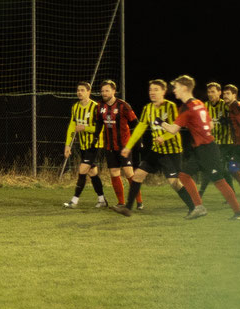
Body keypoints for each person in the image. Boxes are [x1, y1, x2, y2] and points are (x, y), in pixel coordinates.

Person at [171, 75, 240, 218]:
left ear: (185, 88)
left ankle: (238, 212)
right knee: (184, 175)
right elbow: (210, 125)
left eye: (176, 87)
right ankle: (199, 207)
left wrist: (160, 123)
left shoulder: (186, 108)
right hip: (200, 149)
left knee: (219, 181)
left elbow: (173, 130)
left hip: (207, 149)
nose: (174, 90)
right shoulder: (199, 103)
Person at [120, 78, 191, 214]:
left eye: (156, 90)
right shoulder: (148, 108)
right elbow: (140, 128)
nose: (152, 92)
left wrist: (163, 137)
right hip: (156, 151)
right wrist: (128, 146)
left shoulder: (170, 106)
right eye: (150, 90)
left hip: (171, 151)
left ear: (163, 92)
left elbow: (175, 129)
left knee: (174, 183)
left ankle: (193, 207)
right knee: (138, 175)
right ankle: (127, 208)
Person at [92, 80, 137, 211]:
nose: (104, 93)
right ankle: (121, 203)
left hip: (124, 146)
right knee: (114, 173)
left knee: (129, 173)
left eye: (107, 90)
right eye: (102, 91)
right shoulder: (100, 105)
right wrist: (95, 137)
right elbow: (99, 122)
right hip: (109, 146)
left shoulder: (123, 105)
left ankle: (139, 202)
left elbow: (135, 122)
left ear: (113, 91)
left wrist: (137, 141)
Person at [62, 82, 104, 208]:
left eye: (82, 90)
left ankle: (74, 200)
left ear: (88, 92)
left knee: (82, 170)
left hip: (95, 144)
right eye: (78, 90)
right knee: (92, 173)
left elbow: (99, 128)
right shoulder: (75, 107)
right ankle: (102, 200)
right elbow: (72, 127)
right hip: (83, 145)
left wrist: (85, 128)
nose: (79, 92)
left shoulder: (96, 107)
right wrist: (68, 145)